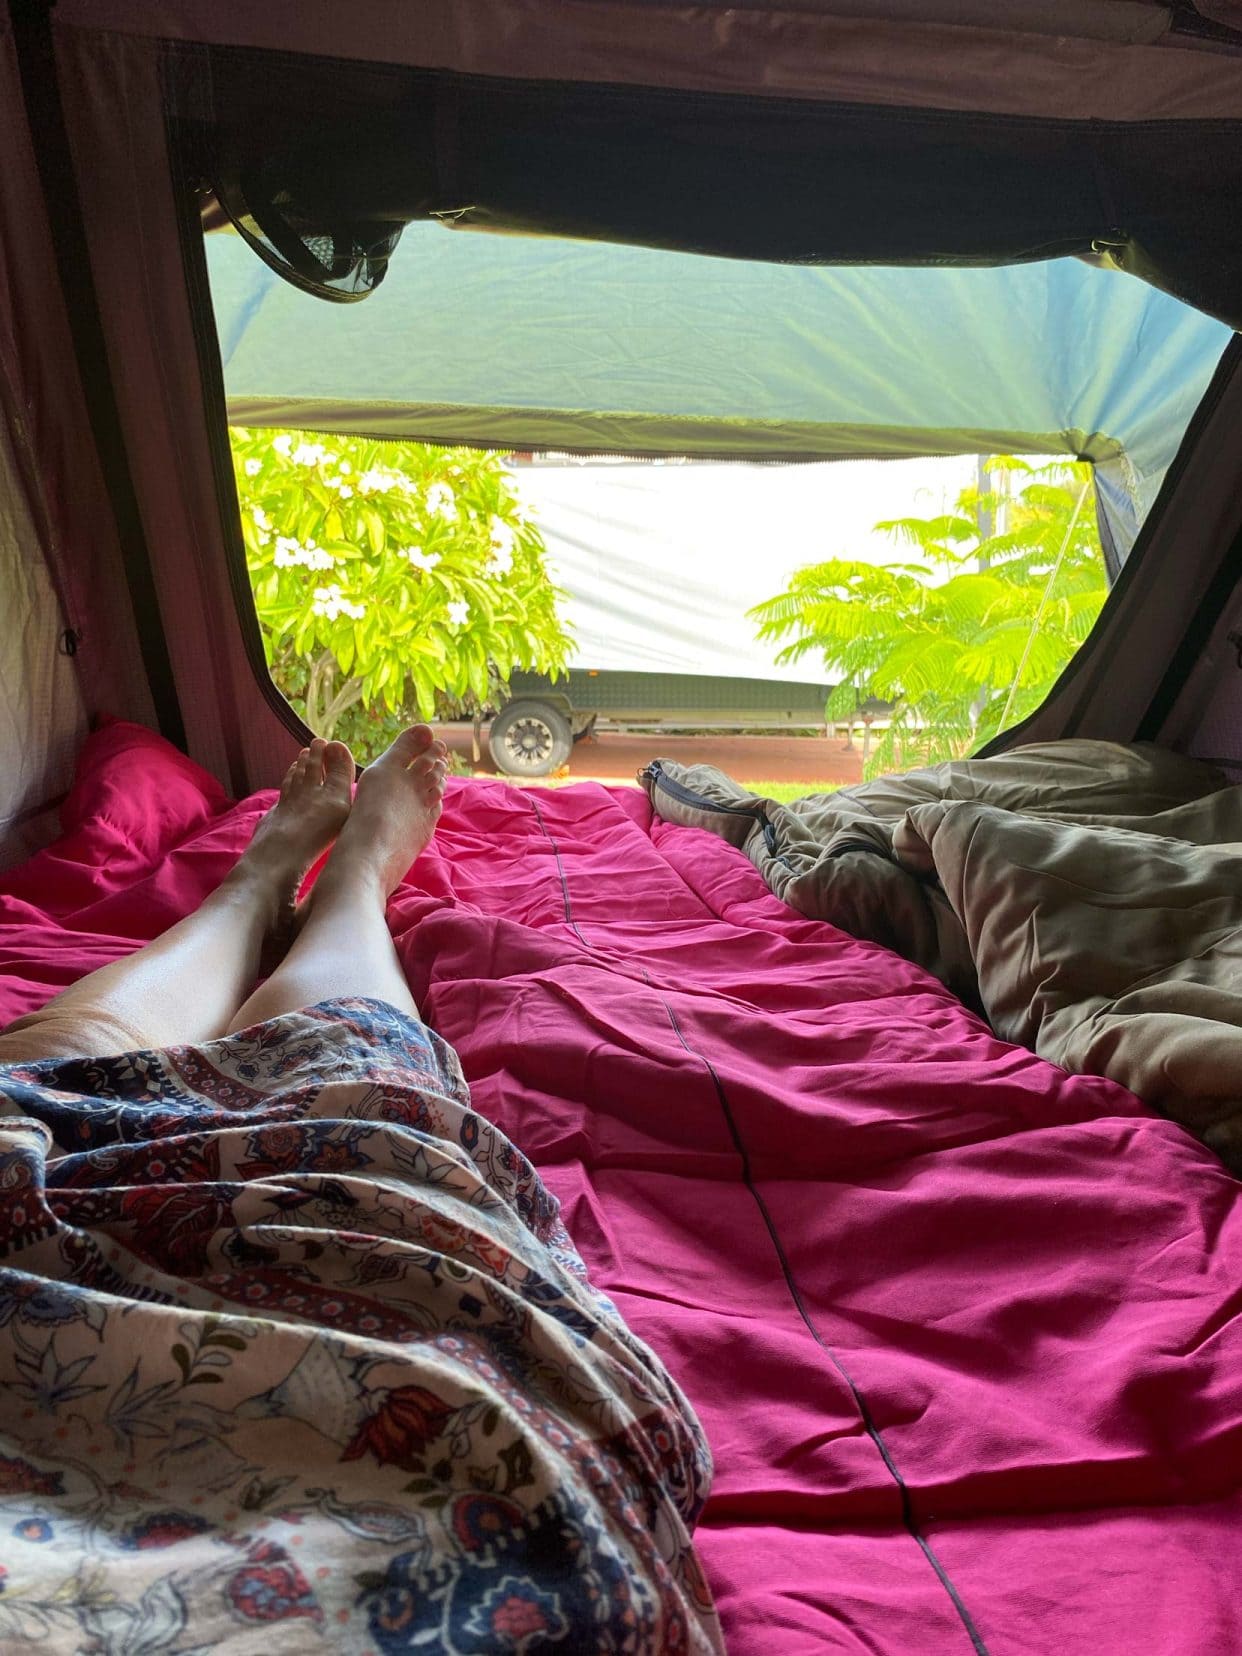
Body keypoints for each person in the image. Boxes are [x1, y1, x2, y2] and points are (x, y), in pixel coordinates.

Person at [0, 727, 722, 1654]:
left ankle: (259, 886)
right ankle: (347, 886)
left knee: (50, 1087)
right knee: (347, 1095)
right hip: (393, 1317)